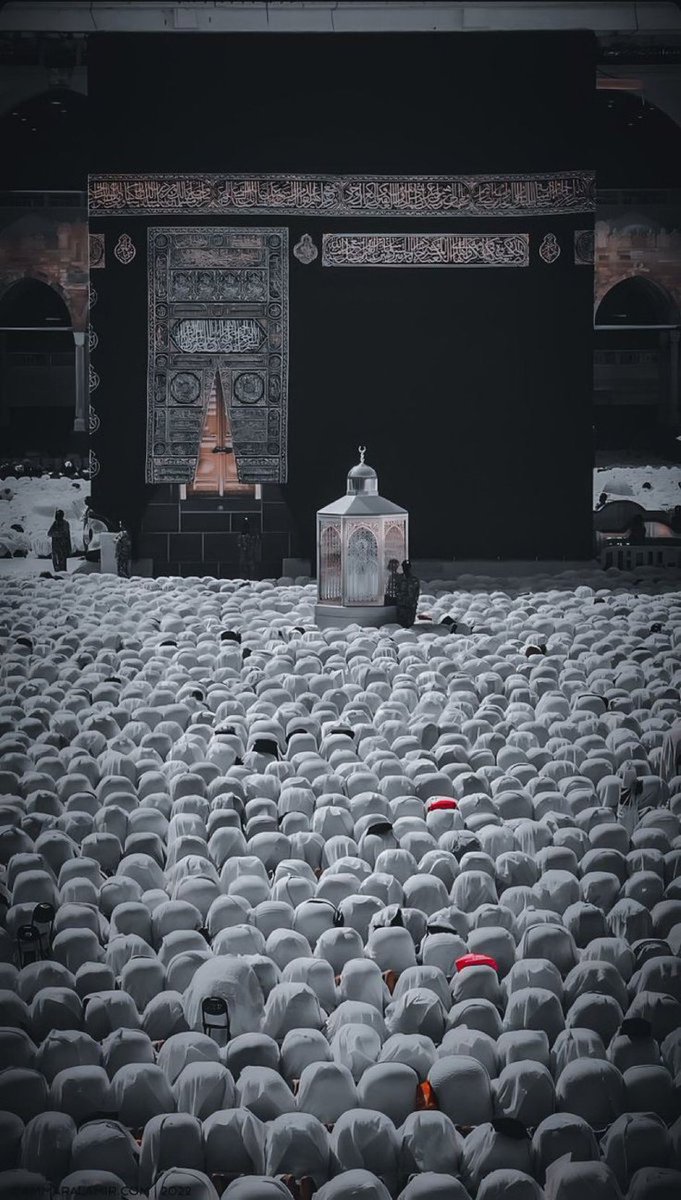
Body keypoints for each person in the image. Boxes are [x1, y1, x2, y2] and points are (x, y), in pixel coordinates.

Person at [395, 560, 420, 628]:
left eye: (407, 567)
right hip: (402, 606)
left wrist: (413, 603)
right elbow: (396, 591)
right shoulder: (399, 579)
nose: (406, 569)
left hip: (410, 607)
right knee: (401, 625)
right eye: (405, 567)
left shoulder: (414, 580)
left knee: (410, 625)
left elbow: (416, 593)